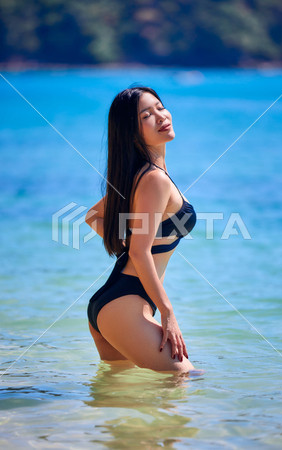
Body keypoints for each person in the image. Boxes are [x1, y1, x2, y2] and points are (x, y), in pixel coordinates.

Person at [86, 86, 197, 373]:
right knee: (186, 380)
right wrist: (169, 314)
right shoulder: (153, 179)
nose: (161, 116)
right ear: (131, 132)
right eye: (147, 115)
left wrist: (127, 245)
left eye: (160, 107)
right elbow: (140, 249)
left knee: (118, 399)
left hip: (115, 302)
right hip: (125, 305)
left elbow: (92, 216)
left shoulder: (140, 176)